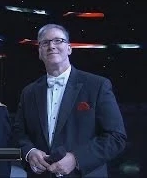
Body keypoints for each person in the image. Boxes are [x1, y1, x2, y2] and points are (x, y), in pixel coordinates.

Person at [12, 23, 127, 178]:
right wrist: (29, 152)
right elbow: (19, 133)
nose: (51, 46)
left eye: (58, 40)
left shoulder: (97, 85)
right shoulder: (29, 92)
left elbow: (116, 137)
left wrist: (76, 159)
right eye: (45, 42)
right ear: (39, 52)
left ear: (69, 48)